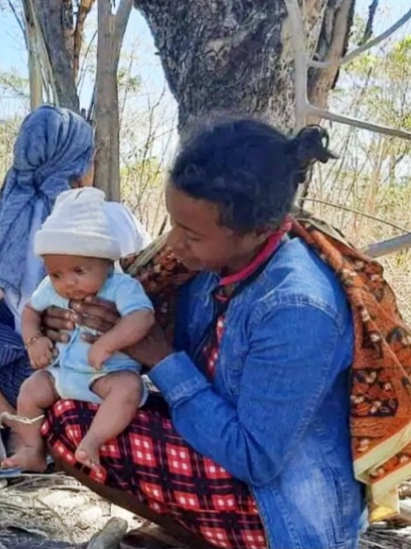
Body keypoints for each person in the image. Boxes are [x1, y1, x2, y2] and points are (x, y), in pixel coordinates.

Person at [39, 119, 365, 549]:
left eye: (191, 235)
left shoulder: (297, 307)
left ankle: (221, 537)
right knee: (68, 408)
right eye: (173, 224)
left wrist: (160, 357)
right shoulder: (210, 268)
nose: (172, 245)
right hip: (231, 452)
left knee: (73, 423)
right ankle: (194, 532)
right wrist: (69, 319)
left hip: (285, 510)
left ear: (258, 231)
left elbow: (257, 458)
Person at [0, 105, 150, 424]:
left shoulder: (1, 229)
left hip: (36, 376)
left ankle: (10, 418)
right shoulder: (116, 218)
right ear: (78, 165)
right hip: (110, 377)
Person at [5, 187, 154, 473]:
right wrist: (33, 340)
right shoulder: (51, 289)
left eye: (79, 271)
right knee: (30, 389)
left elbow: (142, 317)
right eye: (56, 274)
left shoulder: (121, 286)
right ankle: (32, 451)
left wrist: (108, 343)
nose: (67, 282)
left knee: (129, 388)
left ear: (106, 262)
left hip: (107, 375)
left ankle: (92, 441)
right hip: (65, 373)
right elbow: (30, 311)